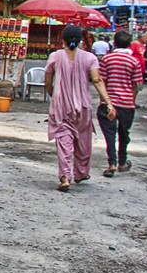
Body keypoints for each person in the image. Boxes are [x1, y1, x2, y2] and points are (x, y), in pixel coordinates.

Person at [45, 24, 115, 192]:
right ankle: (81, 172)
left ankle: (65, 176)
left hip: (61, 106)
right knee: (83, 140)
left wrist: (53, 95)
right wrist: (108, 102)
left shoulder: (55, 56)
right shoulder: (90, 58)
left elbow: (47, 80)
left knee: (63, 140)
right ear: (81, 40)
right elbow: (97, 80)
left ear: (62, 40)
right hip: (82, 106)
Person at [97, 30, 142, 177]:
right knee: (124, 134)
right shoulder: (134, 62)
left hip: (108, 103)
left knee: (110, 134)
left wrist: (104, 99)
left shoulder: (107, 59)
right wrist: (132, 98)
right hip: (127, 104)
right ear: (129, 44)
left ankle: (112, 163)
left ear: (114, 43)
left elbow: (102, 81)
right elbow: (137, 85)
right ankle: (123, 162)